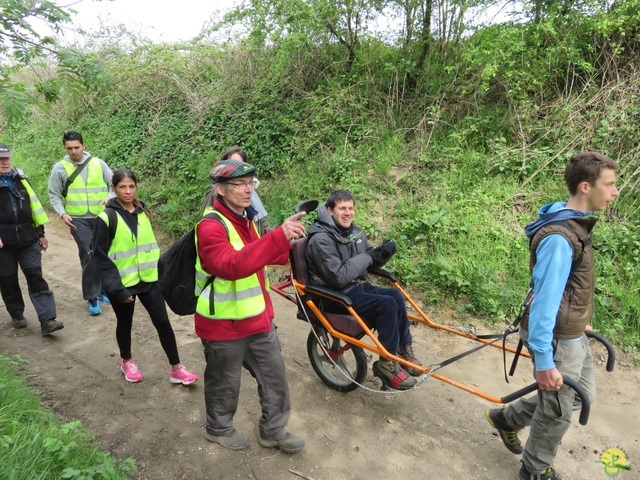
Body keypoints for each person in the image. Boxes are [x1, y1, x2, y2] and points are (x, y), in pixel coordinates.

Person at [485, 152, 619, 480]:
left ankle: (506, 419)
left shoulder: (572, 222)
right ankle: (535, 469)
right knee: (557, 411)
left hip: (569, 332)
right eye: (610, 184)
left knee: (578, 396)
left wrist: (578, 317)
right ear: (586, 187)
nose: (615, 191)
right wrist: (544, 360)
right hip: (557, 340)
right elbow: (546, 300)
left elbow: (567, 287)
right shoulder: (560, 237)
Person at [196, 159, 306, 453]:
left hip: (257, 319)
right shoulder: (210, 226)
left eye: (251, 184)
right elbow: (231, 265)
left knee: (275, 378)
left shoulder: (247, 219)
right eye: (240, 185)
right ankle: (218, 428)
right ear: (220, 189)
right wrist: (276, 237)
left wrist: (290, 240)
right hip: (223, 325)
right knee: (224, 384)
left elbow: (263, 256)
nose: (248, 190)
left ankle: (273, 429)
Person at [305, 189, 423, 391]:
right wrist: (369, 256)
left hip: (355, 287)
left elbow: (367, 260)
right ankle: (386, 364)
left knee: (395, 294)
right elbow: (339, 276)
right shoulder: (321, 240)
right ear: (330, 211)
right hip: (335, 296)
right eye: (342, 208)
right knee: (386, 305)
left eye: (351, 208)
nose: (348, 212)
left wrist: (382, 253)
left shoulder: (351, 233)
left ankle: (402, 350)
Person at [90, 168, 199, 385]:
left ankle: (176, 368)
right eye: (122, 187)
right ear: (113, 189)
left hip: (149, 281)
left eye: (131, 186)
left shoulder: (142, 211)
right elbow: (99, 257)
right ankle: (126, 361)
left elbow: (149, 247)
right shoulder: (105, 217)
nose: (128, 191)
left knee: (163, 322)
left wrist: (161, 275)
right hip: (123, 283)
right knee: (125, 322)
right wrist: (116, 288)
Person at [0, 143, 64, 335]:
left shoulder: (20, 178)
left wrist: (41, 233)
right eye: (1, 159)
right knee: (8, 279)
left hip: (28, 237)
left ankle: (48, 320)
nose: (5, 162)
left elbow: (34, 206)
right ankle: (17, 313)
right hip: (3, 243)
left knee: (35, 275)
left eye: (7, 158)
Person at [48, 131, 112, 315]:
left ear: (83, 146)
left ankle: (102, 290)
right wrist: (62, 214)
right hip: (77, 220)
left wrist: (110, 197)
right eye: (70, 148)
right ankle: (92, 296)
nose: (74, 151)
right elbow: (54, 194)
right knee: (88, 254)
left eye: (77, 147)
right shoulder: (60, 168)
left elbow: (114, 184)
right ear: (64, 148)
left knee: (102, 254)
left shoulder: (98, 163)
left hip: (101, 217)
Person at [202, 146, 271, 236]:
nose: (248, 190)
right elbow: (206, 218)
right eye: (232, 164)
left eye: (240, 164)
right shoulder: (214, 192)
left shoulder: (252, 189)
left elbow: (262, 221)